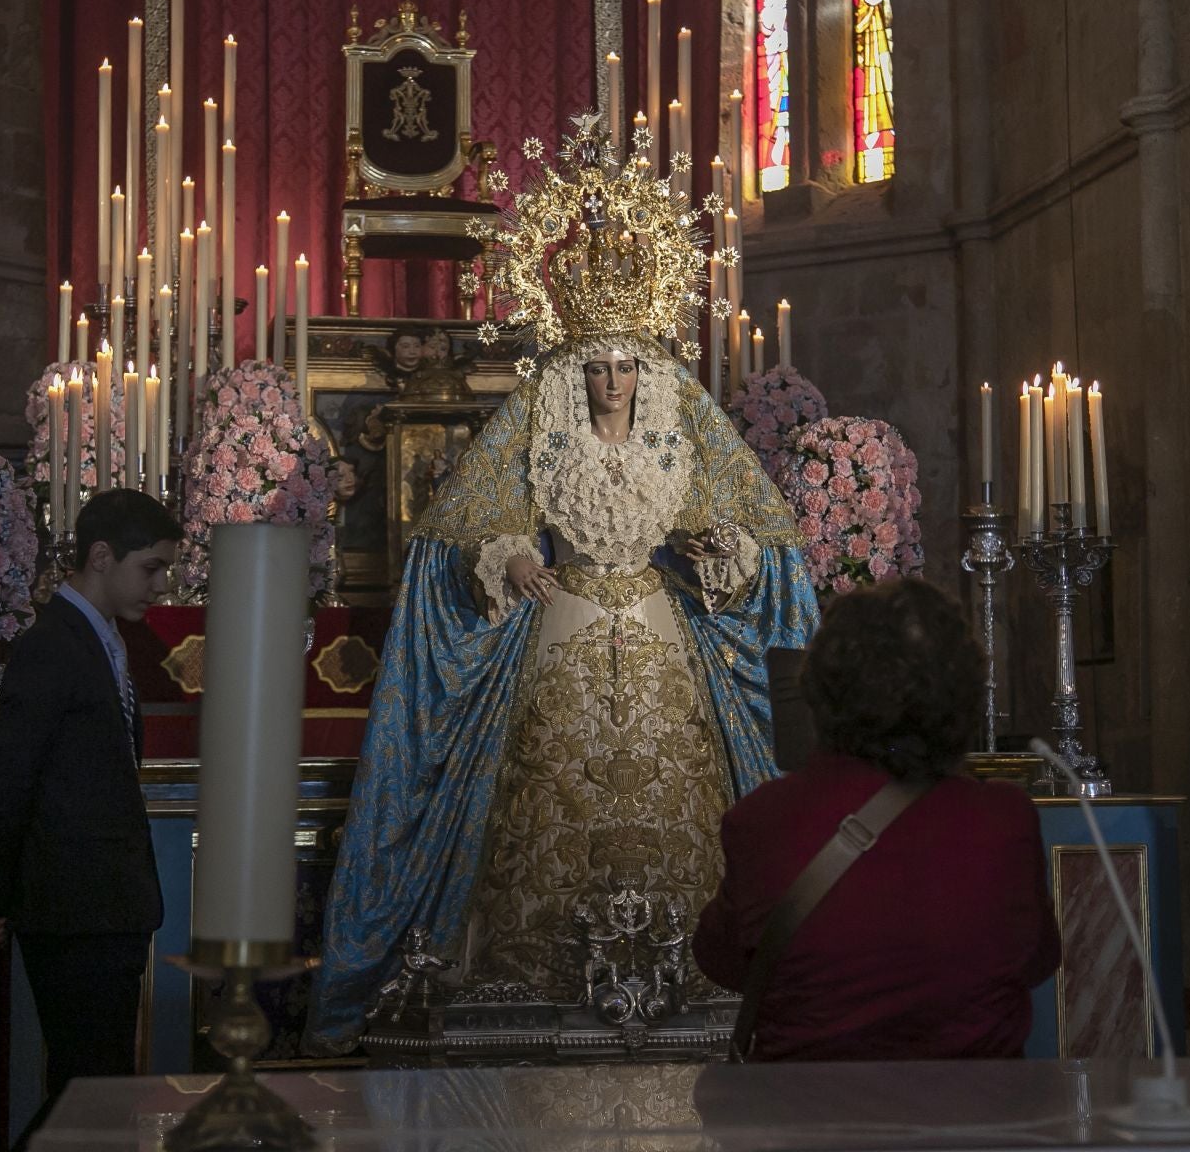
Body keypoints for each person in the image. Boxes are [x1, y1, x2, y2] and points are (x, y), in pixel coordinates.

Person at [303, 125, 819, 1054]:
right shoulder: (538, 431)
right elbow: (465, 531)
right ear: (572, 371)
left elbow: (755, 541)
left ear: (647, 370)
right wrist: (508, 562)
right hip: (562, 620)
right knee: (546, 793)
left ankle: (691, 979)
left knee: (676, 796)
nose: (612, 381)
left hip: (661, 635)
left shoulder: (682, 438)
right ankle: (536, 973)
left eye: (625, 365)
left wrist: (715, 551)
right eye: (597, 367)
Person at [692, 577, 1061, 1061]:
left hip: (808, 1123)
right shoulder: (1003, 820)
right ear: (962, 693)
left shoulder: (764, 821)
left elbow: (721, 959)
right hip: (974, 1121)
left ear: (820, 690)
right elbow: (1035, 960)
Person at [0, 488, 180, 1131]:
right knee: (88, 1091)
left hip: (106, 905)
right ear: (100, 556)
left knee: (99, 1087)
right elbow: (12, 780)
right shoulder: (52, 645)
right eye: (149, 568)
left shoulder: (104, 640)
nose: (160, 586)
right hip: (74, 907)